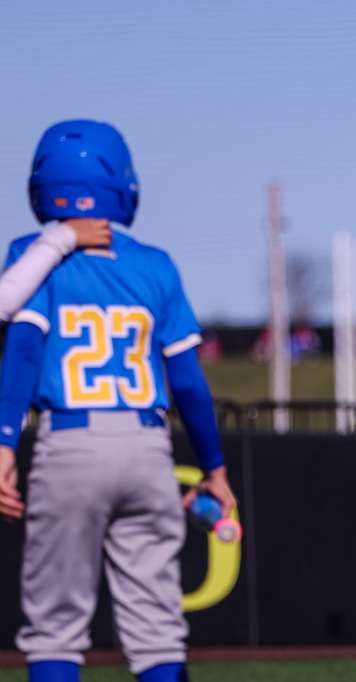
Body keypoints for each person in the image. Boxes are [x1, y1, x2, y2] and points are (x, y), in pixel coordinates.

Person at [0, 119, 238, 682]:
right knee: (157, 629)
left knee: (55, 624)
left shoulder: (35, 256)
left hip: (71, 443)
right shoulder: (153, 264)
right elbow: (188, 383)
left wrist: (5, 441)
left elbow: (23, 356)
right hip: (145, 445)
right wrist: (214, 468)